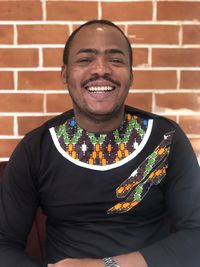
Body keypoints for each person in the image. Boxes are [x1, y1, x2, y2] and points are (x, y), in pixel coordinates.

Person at [0, 19, 200, 267]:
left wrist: (106, 265)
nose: (101, 69)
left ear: (131, 74)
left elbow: (196, 233)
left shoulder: (166, 139)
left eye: (116, 60)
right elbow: (3, 243)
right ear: (65, 74)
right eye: (85, 60)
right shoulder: (36, 148)